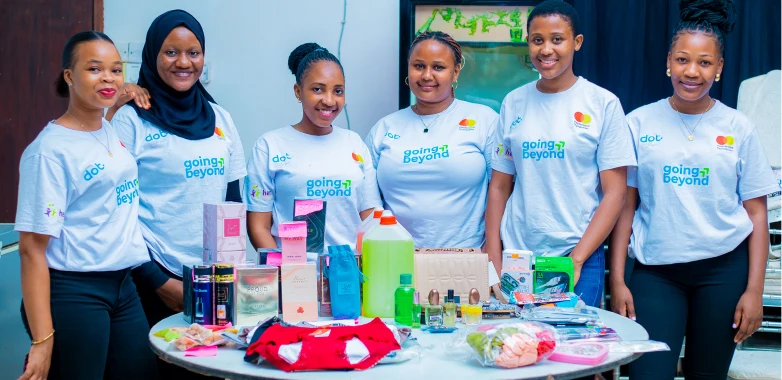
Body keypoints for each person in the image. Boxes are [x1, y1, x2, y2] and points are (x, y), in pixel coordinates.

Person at [609, 0, 779, 378]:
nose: (692, 71)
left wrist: (754, 291)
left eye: (705, 63)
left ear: (719, 69)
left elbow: (756, 213)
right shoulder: (638, 122)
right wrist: (618, 279)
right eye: (683, 60)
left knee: (708, 374)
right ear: (669, 61)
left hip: (723, 272)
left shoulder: (738, 127)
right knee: (647, 374)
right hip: (656, 273)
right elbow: (626, 206)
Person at [107, 10, 246, 378]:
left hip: (213, 280)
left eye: (194, 52)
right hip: (151, 278)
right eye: (171, 52)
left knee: (214, 370)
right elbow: (117, 213)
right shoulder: (131, 119)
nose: (184, 62)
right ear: (153, 55)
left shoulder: (221, 119)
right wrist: (159, 282)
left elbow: (233, 203)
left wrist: (228, 275)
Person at [15, 31, 156, 380]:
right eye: (94, 69)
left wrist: (124, 94)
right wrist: (42, 340)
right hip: (75, 292)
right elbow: (32, 250)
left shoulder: (105, 127)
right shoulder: (49, 151)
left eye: (116, 69)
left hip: (123, 287)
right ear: (69, 76)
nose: (108, 78)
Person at [485, 0, 636, 308]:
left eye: (557, 39)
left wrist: (577, 260)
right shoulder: (513, 102)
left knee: (572, 348)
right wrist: (494, 257)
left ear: (576, 42)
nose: (546, 50)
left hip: (577, 252)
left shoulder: (602, 104)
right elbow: (500, 186)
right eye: (537, 40)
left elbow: (615, 194)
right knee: (517, 347)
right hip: (518, 256)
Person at [365, 31, 498, 248]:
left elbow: (502, 191)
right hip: (395, 258)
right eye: (418, 66)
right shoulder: (384, 128)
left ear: (455, 72)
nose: (427, 75)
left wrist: (492, 248)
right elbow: (368, 203)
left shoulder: (484, 120)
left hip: (468, 257)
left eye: (438, 67)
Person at [245, 43, 381, 253]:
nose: (329, 100)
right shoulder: (270, 146)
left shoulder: (355, 145)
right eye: (317, 89)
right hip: (293, 275)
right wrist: (284, 274)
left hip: (349, 274)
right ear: (298, 91)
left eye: (338, 91)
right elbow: (258, 226)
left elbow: (371, 222)